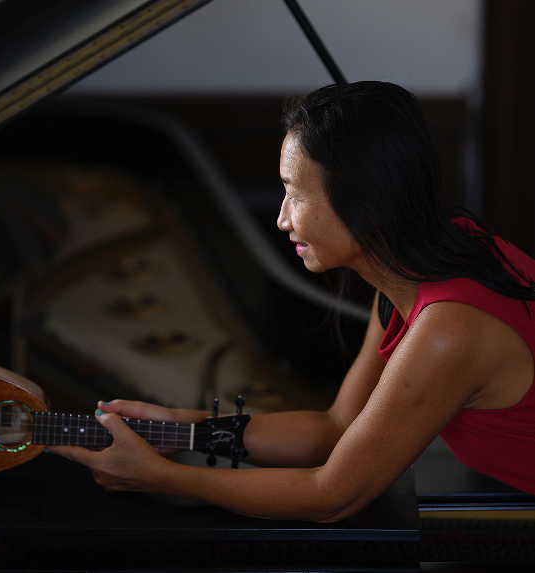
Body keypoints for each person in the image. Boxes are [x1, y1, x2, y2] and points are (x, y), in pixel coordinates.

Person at [49, 81, 535, 522]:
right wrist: (185, 429)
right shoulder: (431, 261)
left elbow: (332, 496)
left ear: (366, 205)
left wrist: (158, 476)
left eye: (295, 195)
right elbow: (334, 428)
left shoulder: (449, 330)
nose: (282, 219)